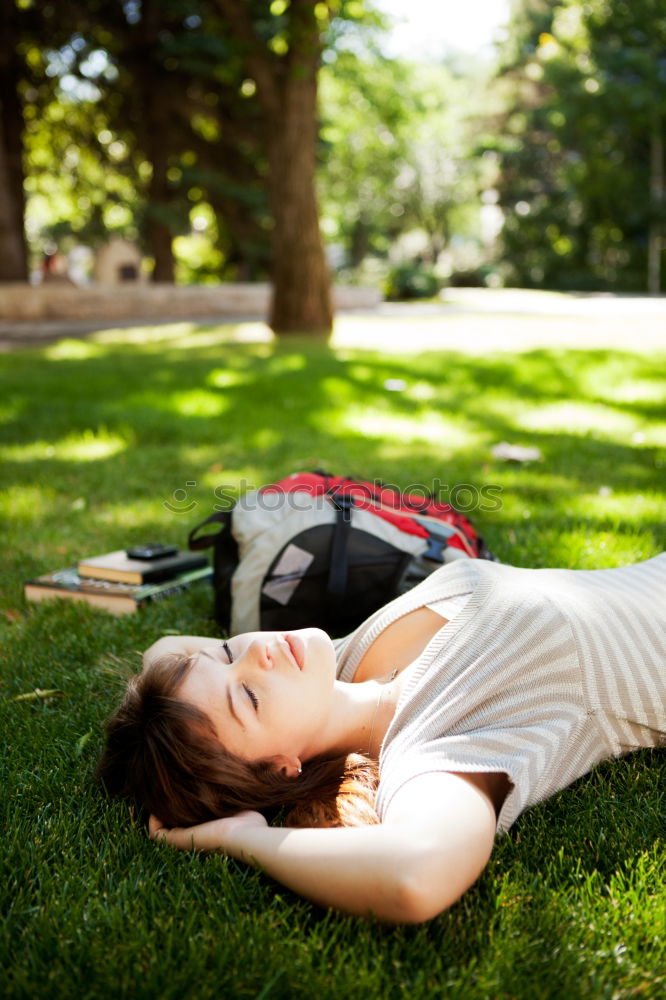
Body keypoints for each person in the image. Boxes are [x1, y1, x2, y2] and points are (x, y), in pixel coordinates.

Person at [96, 554, 666, 923]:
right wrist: (242, 839)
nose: (256, 650)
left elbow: (164, 648)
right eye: (246, 695)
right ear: (280, 769)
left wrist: (193, 690)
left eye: (223, 652)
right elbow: (414, 875)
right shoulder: (435, 739)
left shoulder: (342, 663)